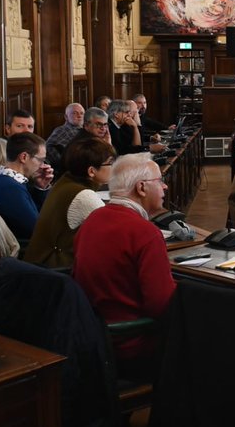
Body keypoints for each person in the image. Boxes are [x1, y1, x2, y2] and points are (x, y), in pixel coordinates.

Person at [73, 153, 176, 379]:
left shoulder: (92, 220)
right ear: (141, 188)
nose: (165, 186)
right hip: (132, 345)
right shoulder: (145, 233)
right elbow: (161, 305)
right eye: (160, 181)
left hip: (93, 339)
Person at [24, 137, 116, 268]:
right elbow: (115, 233)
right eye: (110, 163)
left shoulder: (65, 181)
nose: (114, 168)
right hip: (55, 272)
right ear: (91, 171)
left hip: (40, 265)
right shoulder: (84, 196)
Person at [0, 132, 52, 240]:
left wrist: (41, 187)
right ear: (24, 157)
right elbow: (37, 230)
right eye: (40, 160)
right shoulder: (10, 188)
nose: (43, 166)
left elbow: (37, 214)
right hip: (23, 250)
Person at [45, 103, 85, 169]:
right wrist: (63, 163)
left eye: (82, 113)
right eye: (75, 113)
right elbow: (48, 146)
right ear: (66, 117)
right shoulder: (62, 130)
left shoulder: (85, 130)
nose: (79, 116)